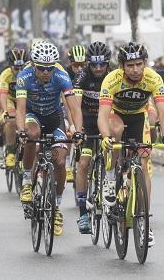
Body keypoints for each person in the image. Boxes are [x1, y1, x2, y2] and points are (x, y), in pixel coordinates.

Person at [97, 42, 164, 247]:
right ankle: (111, 177)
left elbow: (163, 111)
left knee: (143, 164)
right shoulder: (111, 80)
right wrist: (106, 137)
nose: (135, 70)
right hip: (116, 114)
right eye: (130, 65)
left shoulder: (153, 78)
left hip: (138, 117)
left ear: (145, 63)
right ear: (122, 66)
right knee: (116, 130)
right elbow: (102, 115)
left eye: (139, 64)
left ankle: (144, 218)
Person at [16, 41, 83, 236]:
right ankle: (27, 181)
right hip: (33, 116)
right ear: (33, 65)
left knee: (60, 160)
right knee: (32, 135)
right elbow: (20, 109)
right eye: (41, 68)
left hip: (54, 118)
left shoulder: (61, 76)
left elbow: (74, 108)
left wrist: (78, 130)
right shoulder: (24, 77)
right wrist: (20, 131)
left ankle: (56, 208)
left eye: (50, 68)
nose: (46, 72)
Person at [72, 41, 111, 234]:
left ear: (108, 63)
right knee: (84, 163)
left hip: (107, 119)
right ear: (88, 63)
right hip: (87, 122)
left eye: (101, 64)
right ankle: (82, 213)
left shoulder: (113, 77)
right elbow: (76, 106)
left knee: (115, 156)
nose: (97, 68)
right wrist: (77, 129)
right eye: (93, 64)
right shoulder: (82, 77)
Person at [0, 48, 27, 168]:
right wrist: (5, 111)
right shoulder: (6, 74)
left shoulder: (30, 73)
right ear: (10, 66)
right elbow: (3, 95)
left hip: (24, 98)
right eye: (16, 68)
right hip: (10, 98)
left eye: (22, 68)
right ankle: (10, 152)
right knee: (11, 120)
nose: (20, 71)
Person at [64, 45, 86, 183]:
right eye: (75, 65)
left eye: (82, 65)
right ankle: (67, 165)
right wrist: (72, 124)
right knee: (68, 131)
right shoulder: (65, 74)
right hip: (65, 104)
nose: (79, 69)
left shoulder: (87, 73)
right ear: (70, 63)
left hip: (82, 105)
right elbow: (66, 102)